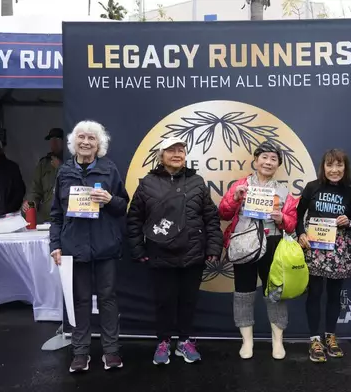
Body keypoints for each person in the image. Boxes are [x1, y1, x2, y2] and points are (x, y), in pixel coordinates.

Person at [126, 137, 223, 365]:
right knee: (163, 301)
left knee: (188, 301)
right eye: (171, 150)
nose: (177, 154)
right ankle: (163, 341)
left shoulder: (197, 182)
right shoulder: (147, 183)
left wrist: (213, 247)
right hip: (160, 253)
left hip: (193, 253)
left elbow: (211, 218)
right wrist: (138, 249)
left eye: (181, 150)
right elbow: (134, 219)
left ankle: (185, 342)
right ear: (161, 156)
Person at [49, 120, 129, 373]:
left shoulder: (109, 169)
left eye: (91, 138)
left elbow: (123, 206)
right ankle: (80, 352)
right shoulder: (64, 172)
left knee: (108, 299)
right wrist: (55, 245)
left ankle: (111, 351)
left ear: (99, 144)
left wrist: (109, 199)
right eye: (81, 137)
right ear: (74, 142)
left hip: (105, 246)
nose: (85, 142)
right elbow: (55, 215)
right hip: (74, 247)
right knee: (80, 301)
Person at [219, 142, 298, 360]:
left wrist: (283, 219)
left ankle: (278, 341)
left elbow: (292, 224)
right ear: (255, 160)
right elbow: (223, 213)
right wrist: (235, 198)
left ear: (278, 165)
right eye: (264, 157)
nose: (268, 162)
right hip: (244, 243)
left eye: (274, 159)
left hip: (273, 244)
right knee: (243, 292)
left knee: (275, 292)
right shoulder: (241, 185)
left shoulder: (283, 191)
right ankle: (247, 342)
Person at [296, 149, 351, 363]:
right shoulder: (312, 187)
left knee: (334, 295)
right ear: (323, 167)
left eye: (339, 165)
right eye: (330, 165)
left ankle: (330, 336)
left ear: (345, 168)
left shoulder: (350, 189)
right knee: (314, 294)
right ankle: (314, 339)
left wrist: (347, 221)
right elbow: (297, 213)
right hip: (314, 248)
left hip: (339, 249)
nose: (334, 170)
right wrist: (300, 233)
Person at [22, 128, 65, 223]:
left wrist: (61, 168)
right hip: (48, 218)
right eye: (51, 140)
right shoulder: (44, 164)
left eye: (57, 139)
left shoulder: (72, 161)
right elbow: (35, 189)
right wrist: (31, 202)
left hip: (67, 218)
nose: (54, 143)